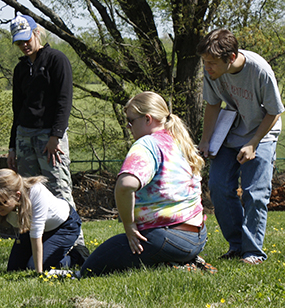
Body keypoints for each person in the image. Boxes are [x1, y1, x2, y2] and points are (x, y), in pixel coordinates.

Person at [80, 91, 207, 276]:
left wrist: (129, 226)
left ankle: (172, 261)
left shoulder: (147, 144)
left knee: (91, 269)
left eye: (131, 121)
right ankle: (176, 263)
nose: (129, 127)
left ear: (148, 119)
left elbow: (125, 185)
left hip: (166, 238)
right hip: (197, 237)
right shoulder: (178, 140)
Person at [196, 29, 285, 265]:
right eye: (205, 62)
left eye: (212, 63)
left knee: (254, 192)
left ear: (232, 57)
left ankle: (253, 252)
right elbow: (213, 105)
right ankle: (237, 246)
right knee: (218, 185)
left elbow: (274, 111)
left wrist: (253, 143)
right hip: (232, 130)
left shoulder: (259, 70)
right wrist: (205, 140)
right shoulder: (212, 72)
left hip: (262, 133)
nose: (208, 68)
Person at [8, 15, 88, 258]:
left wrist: (56, 135)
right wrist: (12, 146)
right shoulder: (20, 69)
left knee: (59, 189)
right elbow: (16, 110)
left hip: (49, 137)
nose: (24, 45)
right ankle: (37, 245)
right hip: (24, 136)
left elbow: (64, 102)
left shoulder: (56, 60)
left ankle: (76, 246)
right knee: (29, 192)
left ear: (37, 32)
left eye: (27, 38)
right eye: (18, 42)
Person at [0, 168, 83, 273]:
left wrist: (39, 273)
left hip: (64, 227)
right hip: (31, 230)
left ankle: (75, 257)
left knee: (33, 266)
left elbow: (36, 235)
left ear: (17, 196)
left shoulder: (36, 193)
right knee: (15, 268)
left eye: (1, 203)